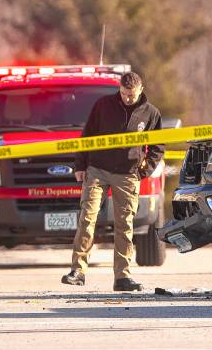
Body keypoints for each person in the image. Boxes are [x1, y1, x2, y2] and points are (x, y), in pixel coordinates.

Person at [62, 71, 164, 291]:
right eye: (125, 94)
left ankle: (122, 277)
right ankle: (77, 270)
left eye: (132, 95)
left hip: (128, 174)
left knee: (125, 225)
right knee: (86, 219)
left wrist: (145, 171)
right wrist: (80, 165)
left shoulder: (151, 113)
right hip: (98, 170)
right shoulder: (103, 105)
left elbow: (159, 146)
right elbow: (87, 135)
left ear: (141, 90)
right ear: (120, 89)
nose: (128, 98)